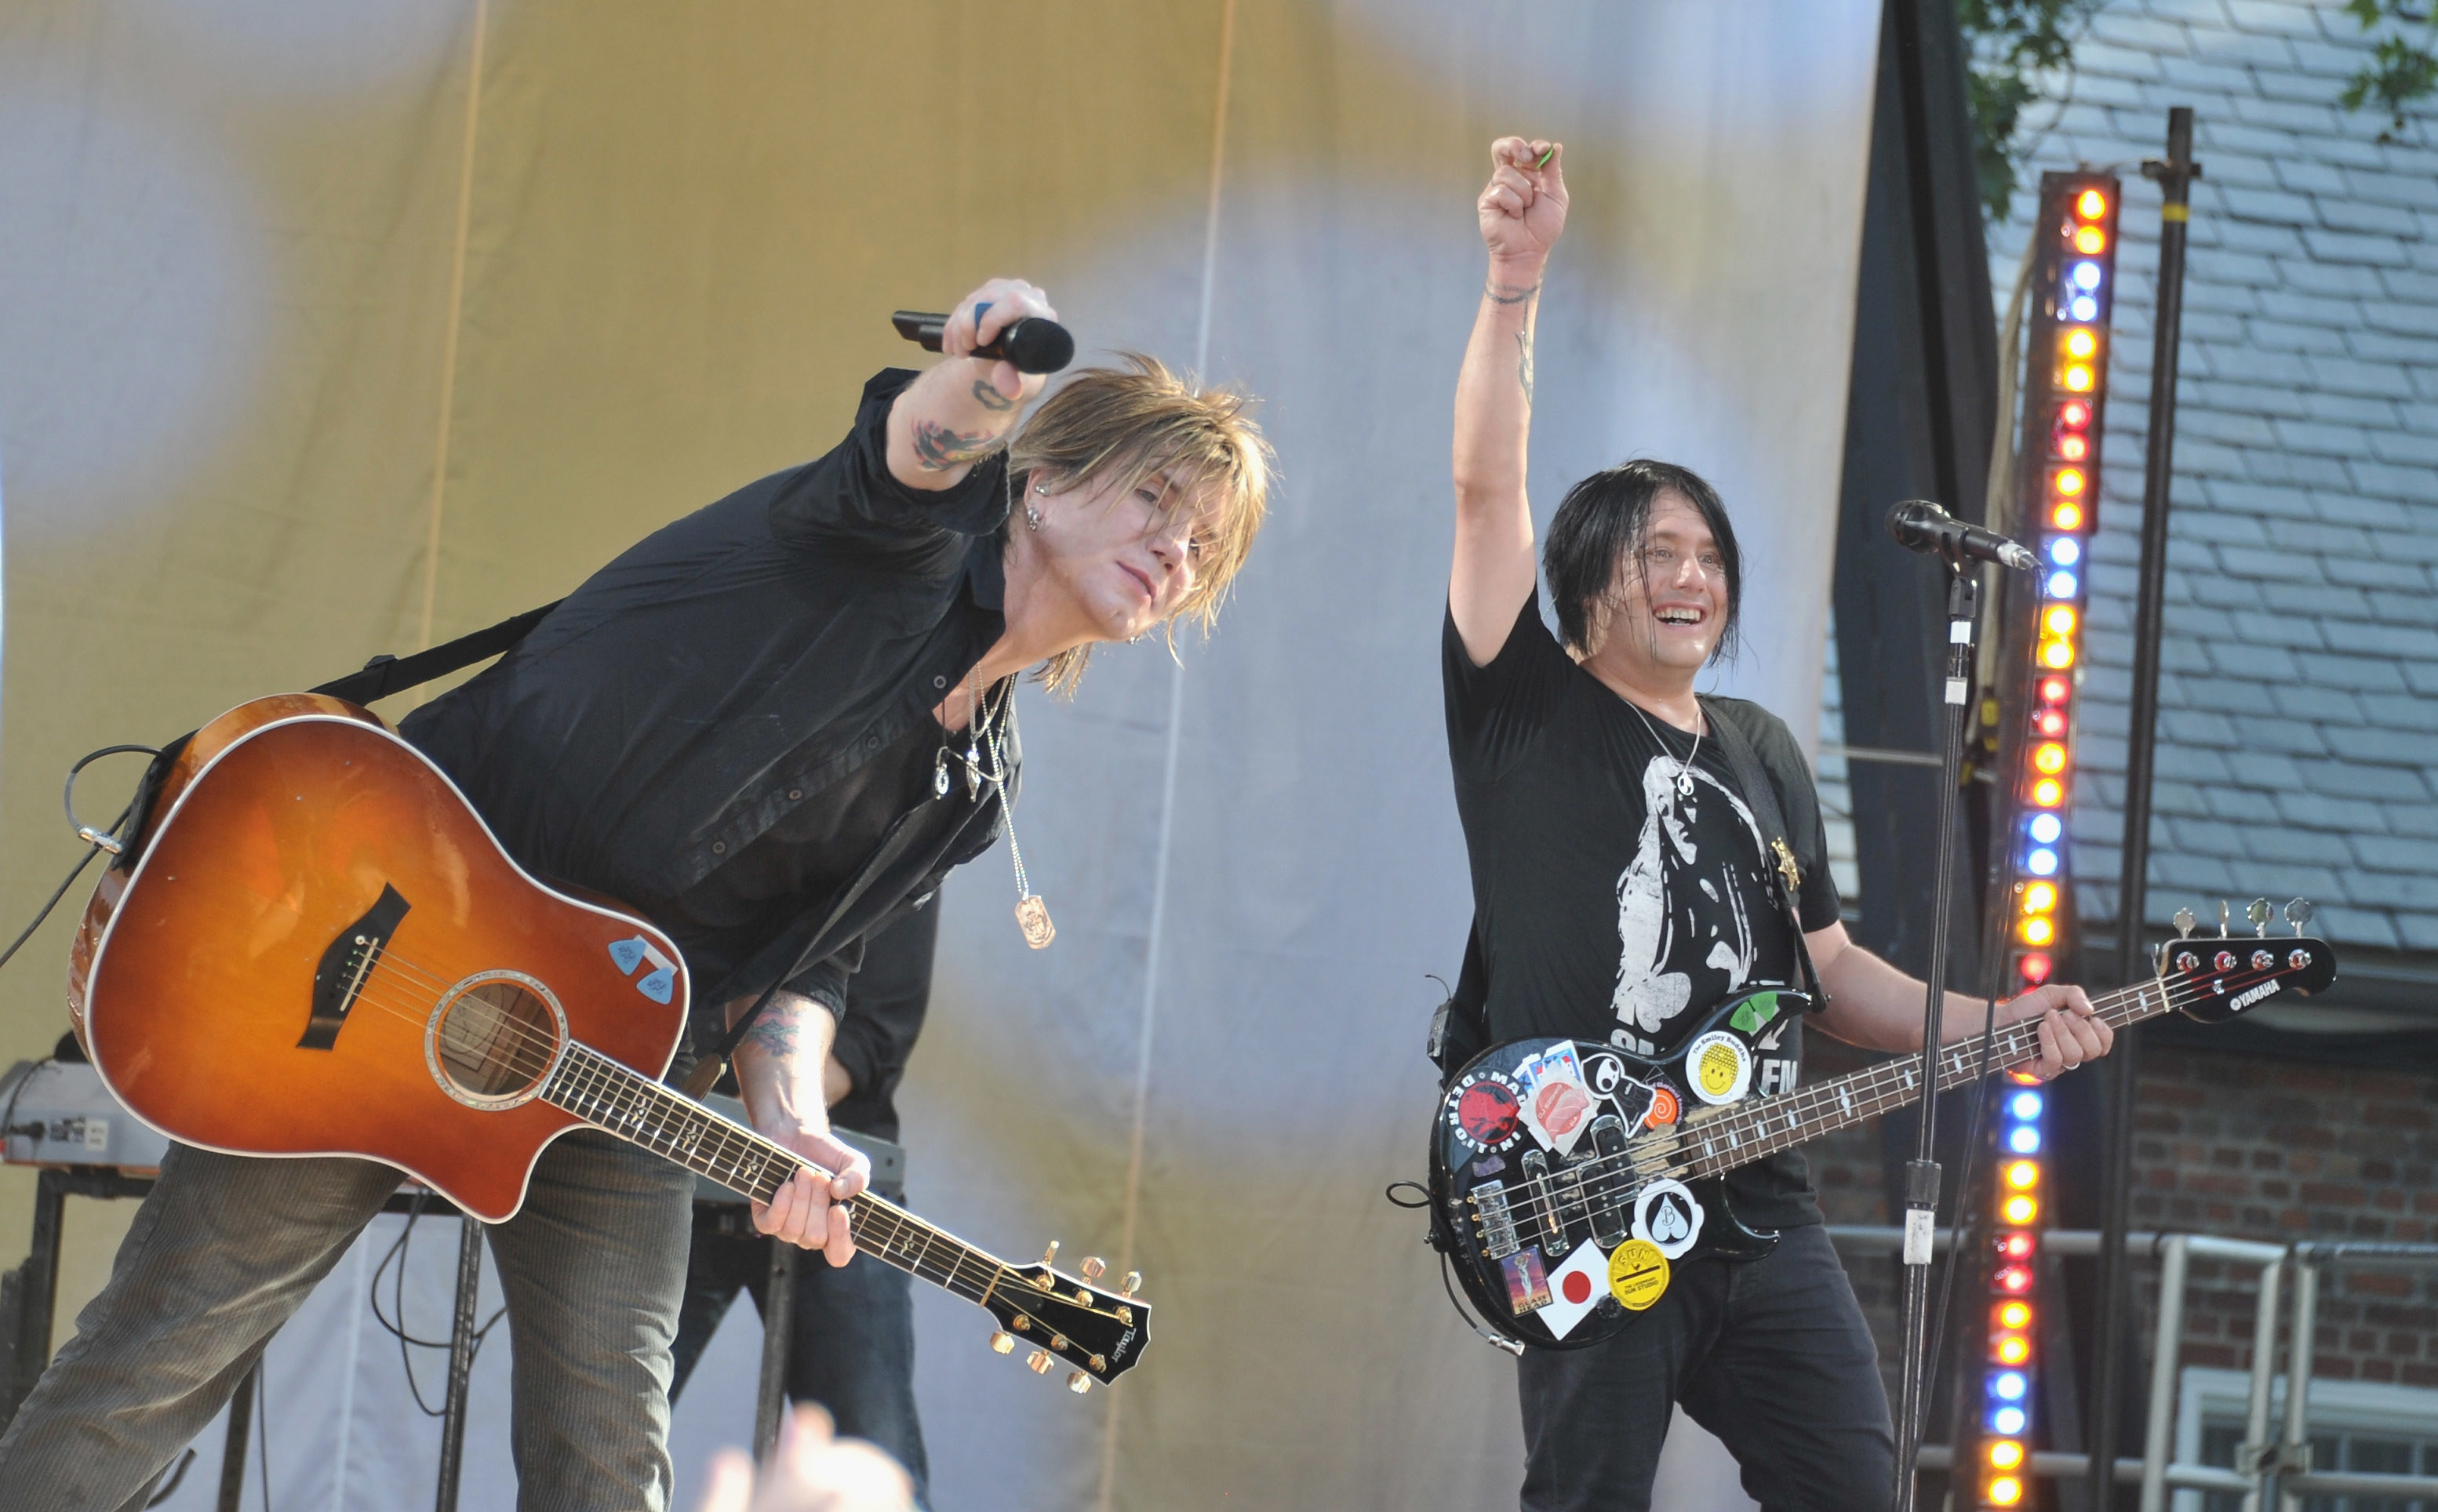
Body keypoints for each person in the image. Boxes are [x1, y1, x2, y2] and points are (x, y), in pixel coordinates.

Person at [0, 278, 1272, 1512]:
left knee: (611, 1457)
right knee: (150, 1367)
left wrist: (788, 1120)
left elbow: (801, 970)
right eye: (1155, 495)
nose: (1174, 545)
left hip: (613, 1060)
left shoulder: (970, 789)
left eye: (1204, 544)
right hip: (384, 939)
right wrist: (983, 377)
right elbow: (903, 459)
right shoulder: (890, 550)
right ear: (1042, 477)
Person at [1439, 139, 2113, 1512]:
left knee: (1850, 1483)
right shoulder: (1526, 709)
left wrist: (2005, 1019)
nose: (1690, 575)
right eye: (1654, 551)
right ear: (1582, 586)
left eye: (1707, 554)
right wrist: (1515, 278)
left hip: (1756, 1200)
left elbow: (1834, 975)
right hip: (1584, 1186)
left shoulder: (1757, 748)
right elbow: (1483, 491)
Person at [668, 906, 940, 1509]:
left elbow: (876, 1038)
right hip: (673, 1168)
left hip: (838, 1194)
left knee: (875, 1459)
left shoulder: (914, 825)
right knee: (607, 1444)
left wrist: (764, 1117)